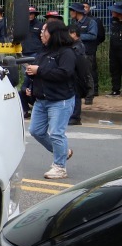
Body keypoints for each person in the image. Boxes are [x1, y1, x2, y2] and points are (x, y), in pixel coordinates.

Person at [23, 18, 77, 179]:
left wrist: (39, 70)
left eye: (44, 31)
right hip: (42, 99)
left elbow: (64, 73)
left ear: (53, 34)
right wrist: (30, 86)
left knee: (56, 133)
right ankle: (63, 152)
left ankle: (60, 167)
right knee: (36, 131)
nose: (41, 33)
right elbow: (37, 72)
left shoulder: (67, 52)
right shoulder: (44, 51)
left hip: (60, 100)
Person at [69, 2, 100, 103]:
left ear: (77, 12)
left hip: (87, 52)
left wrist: (78, 37)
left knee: (88, 74)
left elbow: (93, 36)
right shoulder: (75, 23)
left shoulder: (91, 22)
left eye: (72, 10)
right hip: (76, 52)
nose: (70, 12)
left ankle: (90, 96)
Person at [19, 7, 44, 117]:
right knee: (27, 77)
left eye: (32, 14)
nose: (30, 15)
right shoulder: (21, 26)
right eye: (28, 13)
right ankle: (26, 108)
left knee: (34, 75)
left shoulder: (40, 25)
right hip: (24, 54)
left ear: (35, 15)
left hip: (35, 54)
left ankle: (36, 102)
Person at [109, 2, 122, 97]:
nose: (112, 12)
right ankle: (115, 90)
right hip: (114, 50)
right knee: (114, 70)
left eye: (114, 10)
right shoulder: (113, 21)